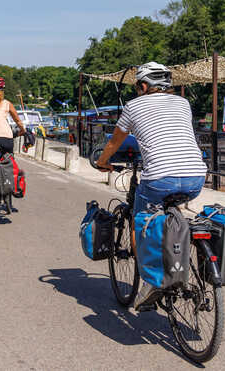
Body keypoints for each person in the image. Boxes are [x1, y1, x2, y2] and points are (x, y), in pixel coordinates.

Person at [95, 61, 207, 310]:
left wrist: (103, 161)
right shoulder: (183, 103)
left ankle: (151, 282)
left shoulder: (133, 106)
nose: (137, 91)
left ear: (144, 85)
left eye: (137, 87)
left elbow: (115, 142)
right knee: (171, 209)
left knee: (140, 220)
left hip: (160, 178)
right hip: (196, 176)